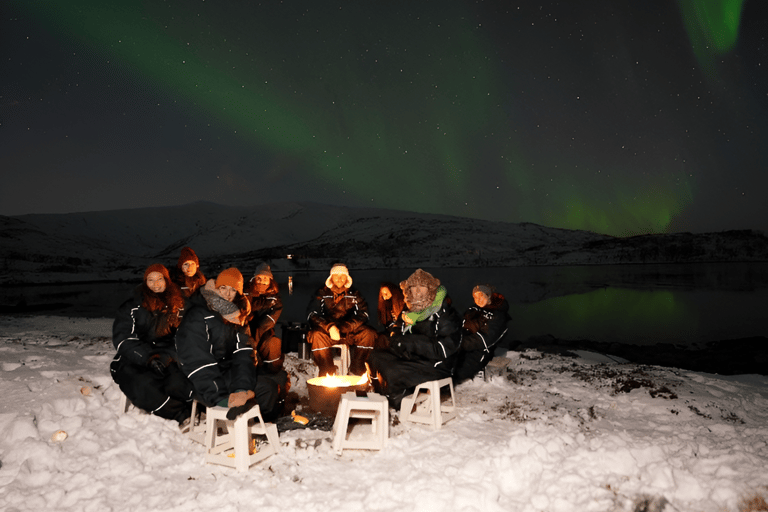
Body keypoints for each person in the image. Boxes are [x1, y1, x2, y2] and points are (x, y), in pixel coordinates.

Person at [175, 267, 278, 418]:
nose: (227, 294)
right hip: (198, 379)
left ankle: (251, 430)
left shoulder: (238, 316)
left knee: (268, 388)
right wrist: (220, 397)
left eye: (233, 290)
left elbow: (244, 354)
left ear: (239, 293)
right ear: (216, 287)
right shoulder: (197, 314)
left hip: (225, 373)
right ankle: (230, 427)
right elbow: (196, 361)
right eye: (223, 288)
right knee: (239, 402)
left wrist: (241, 388)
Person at [110, 263, 194, 424]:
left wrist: (167, 356)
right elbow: (123, 339)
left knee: (178, 381)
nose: (156, 284)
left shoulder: (179, 305)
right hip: (135, 356)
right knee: (141, 383)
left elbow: (184, 337)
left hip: (167, 354)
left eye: (160, 279)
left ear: (167, 280)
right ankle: (180, 414)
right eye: (151, 280)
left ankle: (196, 410)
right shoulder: (132, 306)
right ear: (145, 282)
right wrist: (147, 357)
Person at [367, 269, 461, 409]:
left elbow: (444, 348)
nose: (417, 291)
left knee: (393, 371)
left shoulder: (444, 313)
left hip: (437, 364)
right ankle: (380, 394)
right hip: (411, 357)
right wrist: (396, 336)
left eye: (422, 287)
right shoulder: (409, 308)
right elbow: (397, 328)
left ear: (430, 289)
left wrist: (411, 342)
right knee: (374, 356)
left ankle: (401, 404)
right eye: (413, 287)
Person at [306, 263, 376, 376]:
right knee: (315, 335)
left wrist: (349, 326)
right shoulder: (322, 293)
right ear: (331, 278)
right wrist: (329, 327)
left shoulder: (354, 293)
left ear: (347, 277)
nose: (339, 278)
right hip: (328, 333)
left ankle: (356, 370)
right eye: (336, 275)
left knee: (369, 334)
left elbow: (364, 313)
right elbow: (311, 314)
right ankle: (327, 372)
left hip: (349, 332)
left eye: (342, 275)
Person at [453, 284, 511, 383]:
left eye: (481, 296)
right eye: (475, 297)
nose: (478, 300)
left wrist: (459, 343)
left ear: (488, 296)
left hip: (480, 351)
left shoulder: (497, 314)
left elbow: (485, 339)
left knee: (456, 373)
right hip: (462, 347)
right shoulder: (472, 310)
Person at [245, 262, 284, 374]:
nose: (262, 281)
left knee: (272, 343)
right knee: (248, 345)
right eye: (259, 278)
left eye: (265, 278)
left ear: (270, 280)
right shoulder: (246, 292)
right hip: (246, 328)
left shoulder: (275, 296)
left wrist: (259, 328)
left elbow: (273, 316)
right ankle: (251, 370)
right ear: (254, 278)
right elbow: (246, 308)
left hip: (265, 329)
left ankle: (272, 372)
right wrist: (265, 303)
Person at [375, 281, 406, 349]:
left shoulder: (402, 302)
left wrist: (396, 328)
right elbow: (387, 323)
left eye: (386, 294)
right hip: (391, 331)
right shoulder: (385, 306)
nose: (384, 297)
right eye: (382, 295)